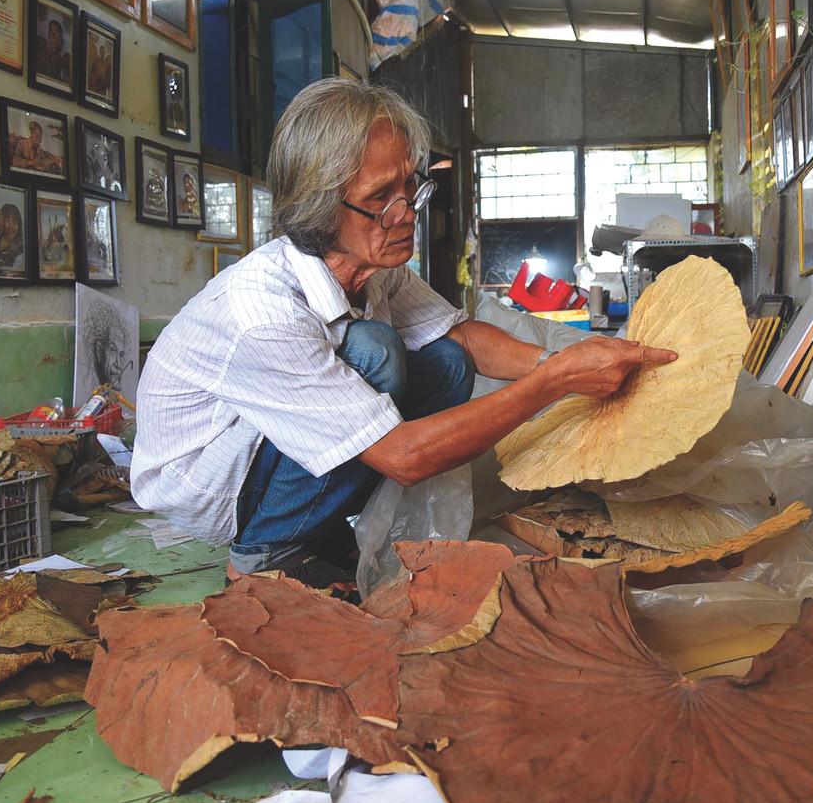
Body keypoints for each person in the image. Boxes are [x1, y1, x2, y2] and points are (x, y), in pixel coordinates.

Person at [132, 79, 675, 593]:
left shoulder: (374, 264)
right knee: (374, 352)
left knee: (445, 361)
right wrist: (552, 384)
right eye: (380, 197)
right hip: (210, 482)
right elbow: (403, 458)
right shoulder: (264, 313)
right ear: (321, 208)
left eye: (411, 188)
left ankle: (316, 533)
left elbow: (461, 340)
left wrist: (570, 360)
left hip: (269, 448)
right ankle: (260, 557)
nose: (407, 214)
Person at [0, 202, 24, 268]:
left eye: (15, 222)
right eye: (7, 220)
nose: (11, 226)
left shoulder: (21, 249)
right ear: (2, 222)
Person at [36, 18, 71, 84]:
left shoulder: (63, 64)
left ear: (62, 42)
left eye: (59, 37)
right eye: (53, 35)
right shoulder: (39, 57)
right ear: (48, 36)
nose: (56, 41)